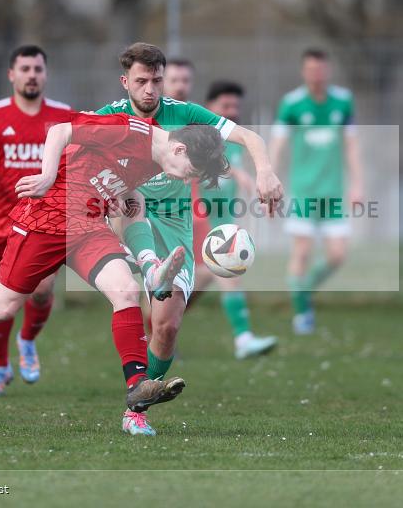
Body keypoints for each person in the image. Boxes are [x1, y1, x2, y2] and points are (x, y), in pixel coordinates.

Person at [0, 112, 230, 438]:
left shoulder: (161, 160)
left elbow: (116, 175)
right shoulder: (130, 132)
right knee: (2, 307)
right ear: (179, 150)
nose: (188, 178)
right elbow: (61, 131)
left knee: (126, 291)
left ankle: (137, 384)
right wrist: (48, 176)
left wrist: (129, 196)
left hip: (89, 226)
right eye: (192, 170)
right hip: (46, 219)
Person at [98, 43, 284, 390]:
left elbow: (248, 136)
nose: (150, 89)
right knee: (124, 293)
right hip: (129, 218)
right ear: (126, 82)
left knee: (166, 327)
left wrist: (265, 172)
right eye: (141, 81)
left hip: (174, 226)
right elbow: (73, 146)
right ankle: (137, 395)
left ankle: (143, 394)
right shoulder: (108, 116)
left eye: (156, 80)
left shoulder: (184, 114)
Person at [0, 44, 73, 397]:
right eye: (24, 69)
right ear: (12, 74)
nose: (32, 75)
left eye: (37, 69)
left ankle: (27, 340)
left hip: (46, 220)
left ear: (45, 74)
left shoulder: (64, 116)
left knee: (42, 289)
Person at [269, 48, 364, 334]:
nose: (316, 75)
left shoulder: (343, 102)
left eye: (321, 69)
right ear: (303, 72)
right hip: (303, 191)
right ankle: (302, 314)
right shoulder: (292, 104)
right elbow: (277, 144)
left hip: (334, 192)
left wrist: (358, 184)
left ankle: (303, 288)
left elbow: (351, 146)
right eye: (311, 70)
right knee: (302, 250)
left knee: (337, 255)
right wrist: (269, 177)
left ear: (328, 70)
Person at [190, 81, 278, 359]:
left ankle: (159, 324)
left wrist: (261, 196)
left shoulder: (236, 139)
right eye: (225, 106)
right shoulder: (200, 137)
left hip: (223, 221)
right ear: (210, 108)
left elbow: (240, 174)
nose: (232, 111)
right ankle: (243, 338)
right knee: (226, 275)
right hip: (200, 221)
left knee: (205, 279)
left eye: (236, 106)